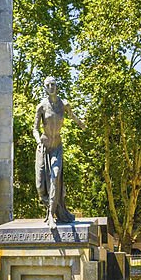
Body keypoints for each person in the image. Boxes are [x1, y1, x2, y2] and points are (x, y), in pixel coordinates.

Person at [33, 76, 84, 228]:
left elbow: (72, 116)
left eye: (53, 84)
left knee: (54, 177)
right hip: (44, 147)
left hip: (56, 147)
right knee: (40, 185)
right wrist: (38, 141)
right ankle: (51, 208)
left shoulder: (63, 104)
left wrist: (82, 125)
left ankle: (51, 214)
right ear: (45, 88)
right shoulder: (41, 106)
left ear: (57, 86)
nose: (51, 87)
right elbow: (35, 128)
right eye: (48, 85)